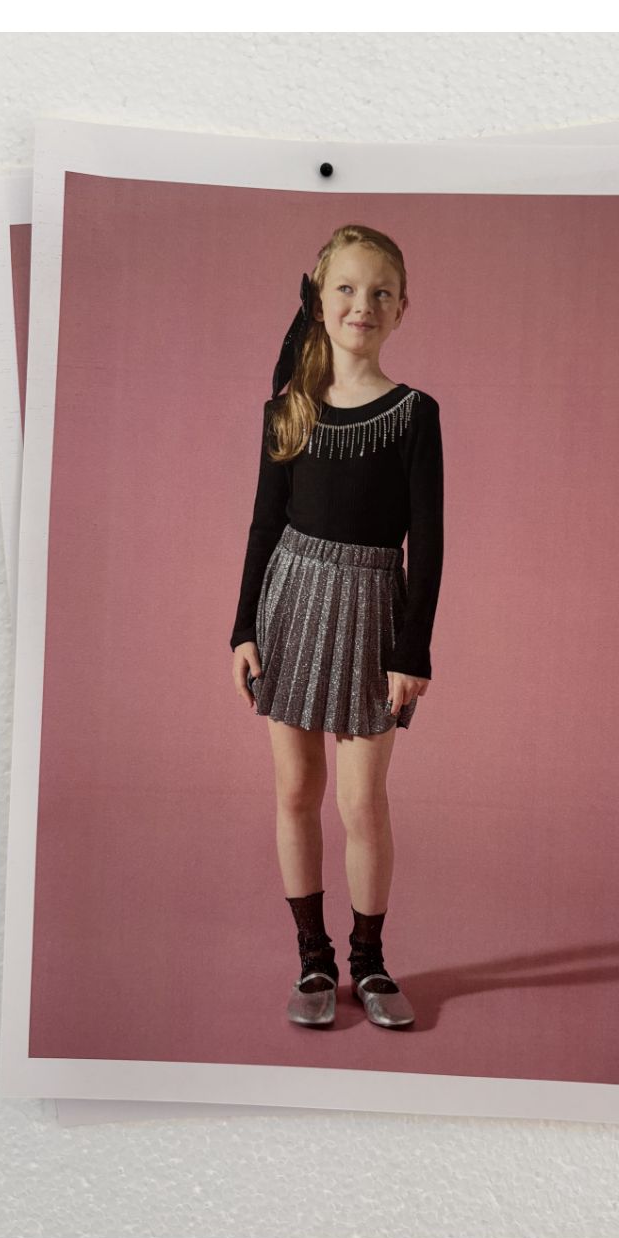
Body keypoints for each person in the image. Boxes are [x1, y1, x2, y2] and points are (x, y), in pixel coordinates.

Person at [230, 225, 444, 1031]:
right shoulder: (288, 409)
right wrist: (242, 628)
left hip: (372, 616)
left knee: (362, 802)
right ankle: (312, 957)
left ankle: (370, 960)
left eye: (380, 292)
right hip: (290, 604)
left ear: (402, 309)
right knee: (295, 791)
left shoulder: (416, 414)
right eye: (346, 289)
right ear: (319, 302)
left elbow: (429, 540)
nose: (363, 305)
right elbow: (263, 524)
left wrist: (412, 649)